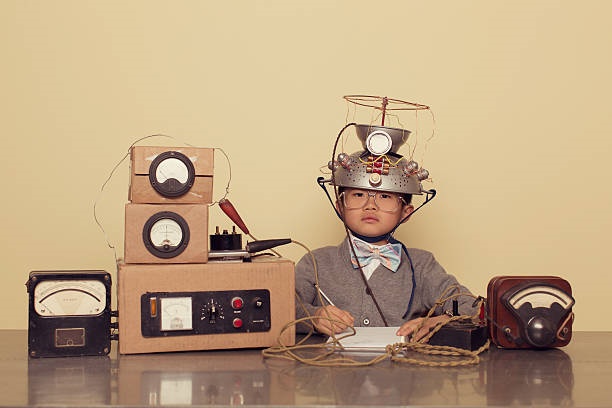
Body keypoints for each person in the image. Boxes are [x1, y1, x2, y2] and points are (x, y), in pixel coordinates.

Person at [294, 124, 478, 340]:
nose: (370, 206)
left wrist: (440, 321)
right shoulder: (315, 262)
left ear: (406, 212)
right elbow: (281, 309)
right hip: (330, 370)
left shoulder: (422, 265)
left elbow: (473, 307)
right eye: (359, 195)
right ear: (340, 206)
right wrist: (314, 317)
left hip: (401, 371)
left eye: (385, 197)